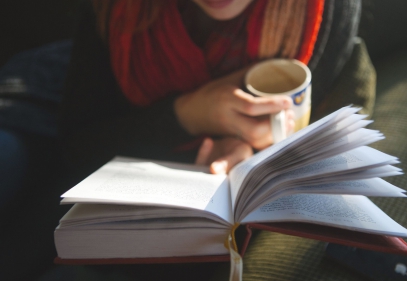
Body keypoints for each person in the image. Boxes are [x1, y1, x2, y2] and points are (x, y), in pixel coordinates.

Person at [44, 0, 365, 280]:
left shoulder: (324, 12)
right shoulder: (112, 12)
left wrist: (246, 144)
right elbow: (78, 144)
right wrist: (186, 115)